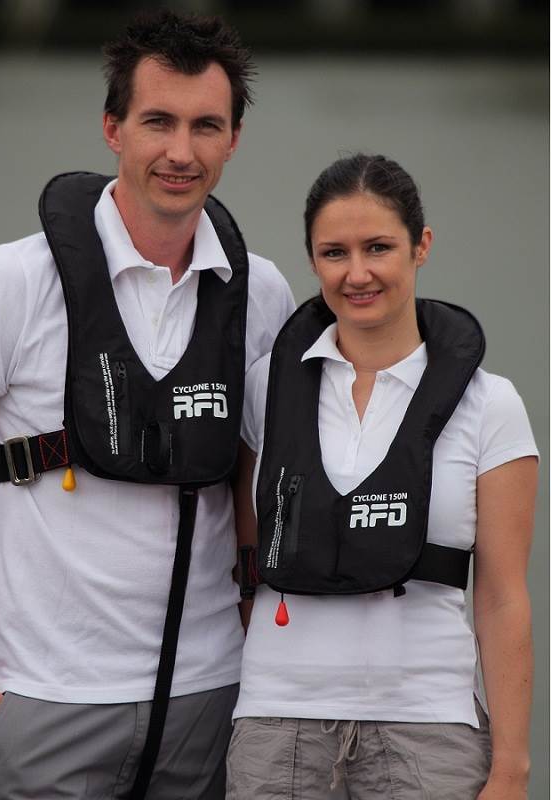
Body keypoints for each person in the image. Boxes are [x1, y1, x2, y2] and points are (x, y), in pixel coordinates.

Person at [0, 10, 294, 800]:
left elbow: (257, 484)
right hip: (47, 703)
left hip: (215, 698)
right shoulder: (15, 282)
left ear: (234, 139)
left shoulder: (261, 294)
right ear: (112, 128)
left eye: (206, 126)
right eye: (158, 121)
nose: (181, 152)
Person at [227, 154, 537, 800]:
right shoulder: (265, 389)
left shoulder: (491, 404)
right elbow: (246, 551)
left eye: (379, 248)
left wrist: (511, 769)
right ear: (312, 261)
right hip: (277, 721)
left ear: (421, 246)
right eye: (334, 253)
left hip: (428, 723)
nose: (358, 273)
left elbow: (503, 597)